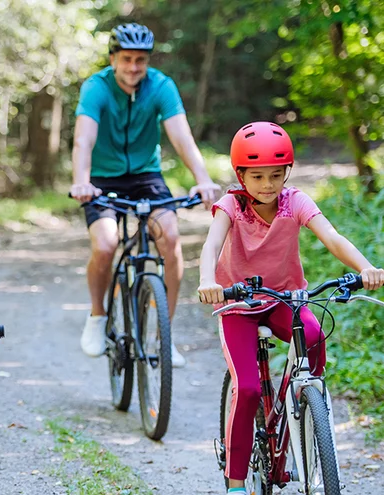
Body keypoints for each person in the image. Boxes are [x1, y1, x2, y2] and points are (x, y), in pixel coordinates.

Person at [197, 121, 384, 494]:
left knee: (313, 335)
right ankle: (236, 483)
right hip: (239, 303)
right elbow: (211, 244)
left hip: (285, 298)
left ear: (287, 172)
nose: (268, 185)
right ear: (241, 176)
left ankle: (306, 404)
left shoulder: (294, 200)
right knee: (248, 389)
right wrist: (208, 280)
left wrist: (364, 267)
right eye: (259, 176)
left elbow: (330, 235)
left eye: (276, 175)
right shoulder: (231, 205)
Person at [69, 23, 221, 366]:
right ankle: (97, 317)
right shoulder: (96, 87)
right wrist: (81, 180)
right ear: (113, 59)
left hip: (146, 176)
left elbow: (182, 138)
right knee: (106, 245)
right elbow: (84, 140)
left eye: (141, 60)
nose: (134, 67)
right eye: (126, 59)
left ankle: (163, 337)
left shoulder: (161, 86)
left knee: (170, 238)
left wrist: (203, 179)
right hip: (101, 179)